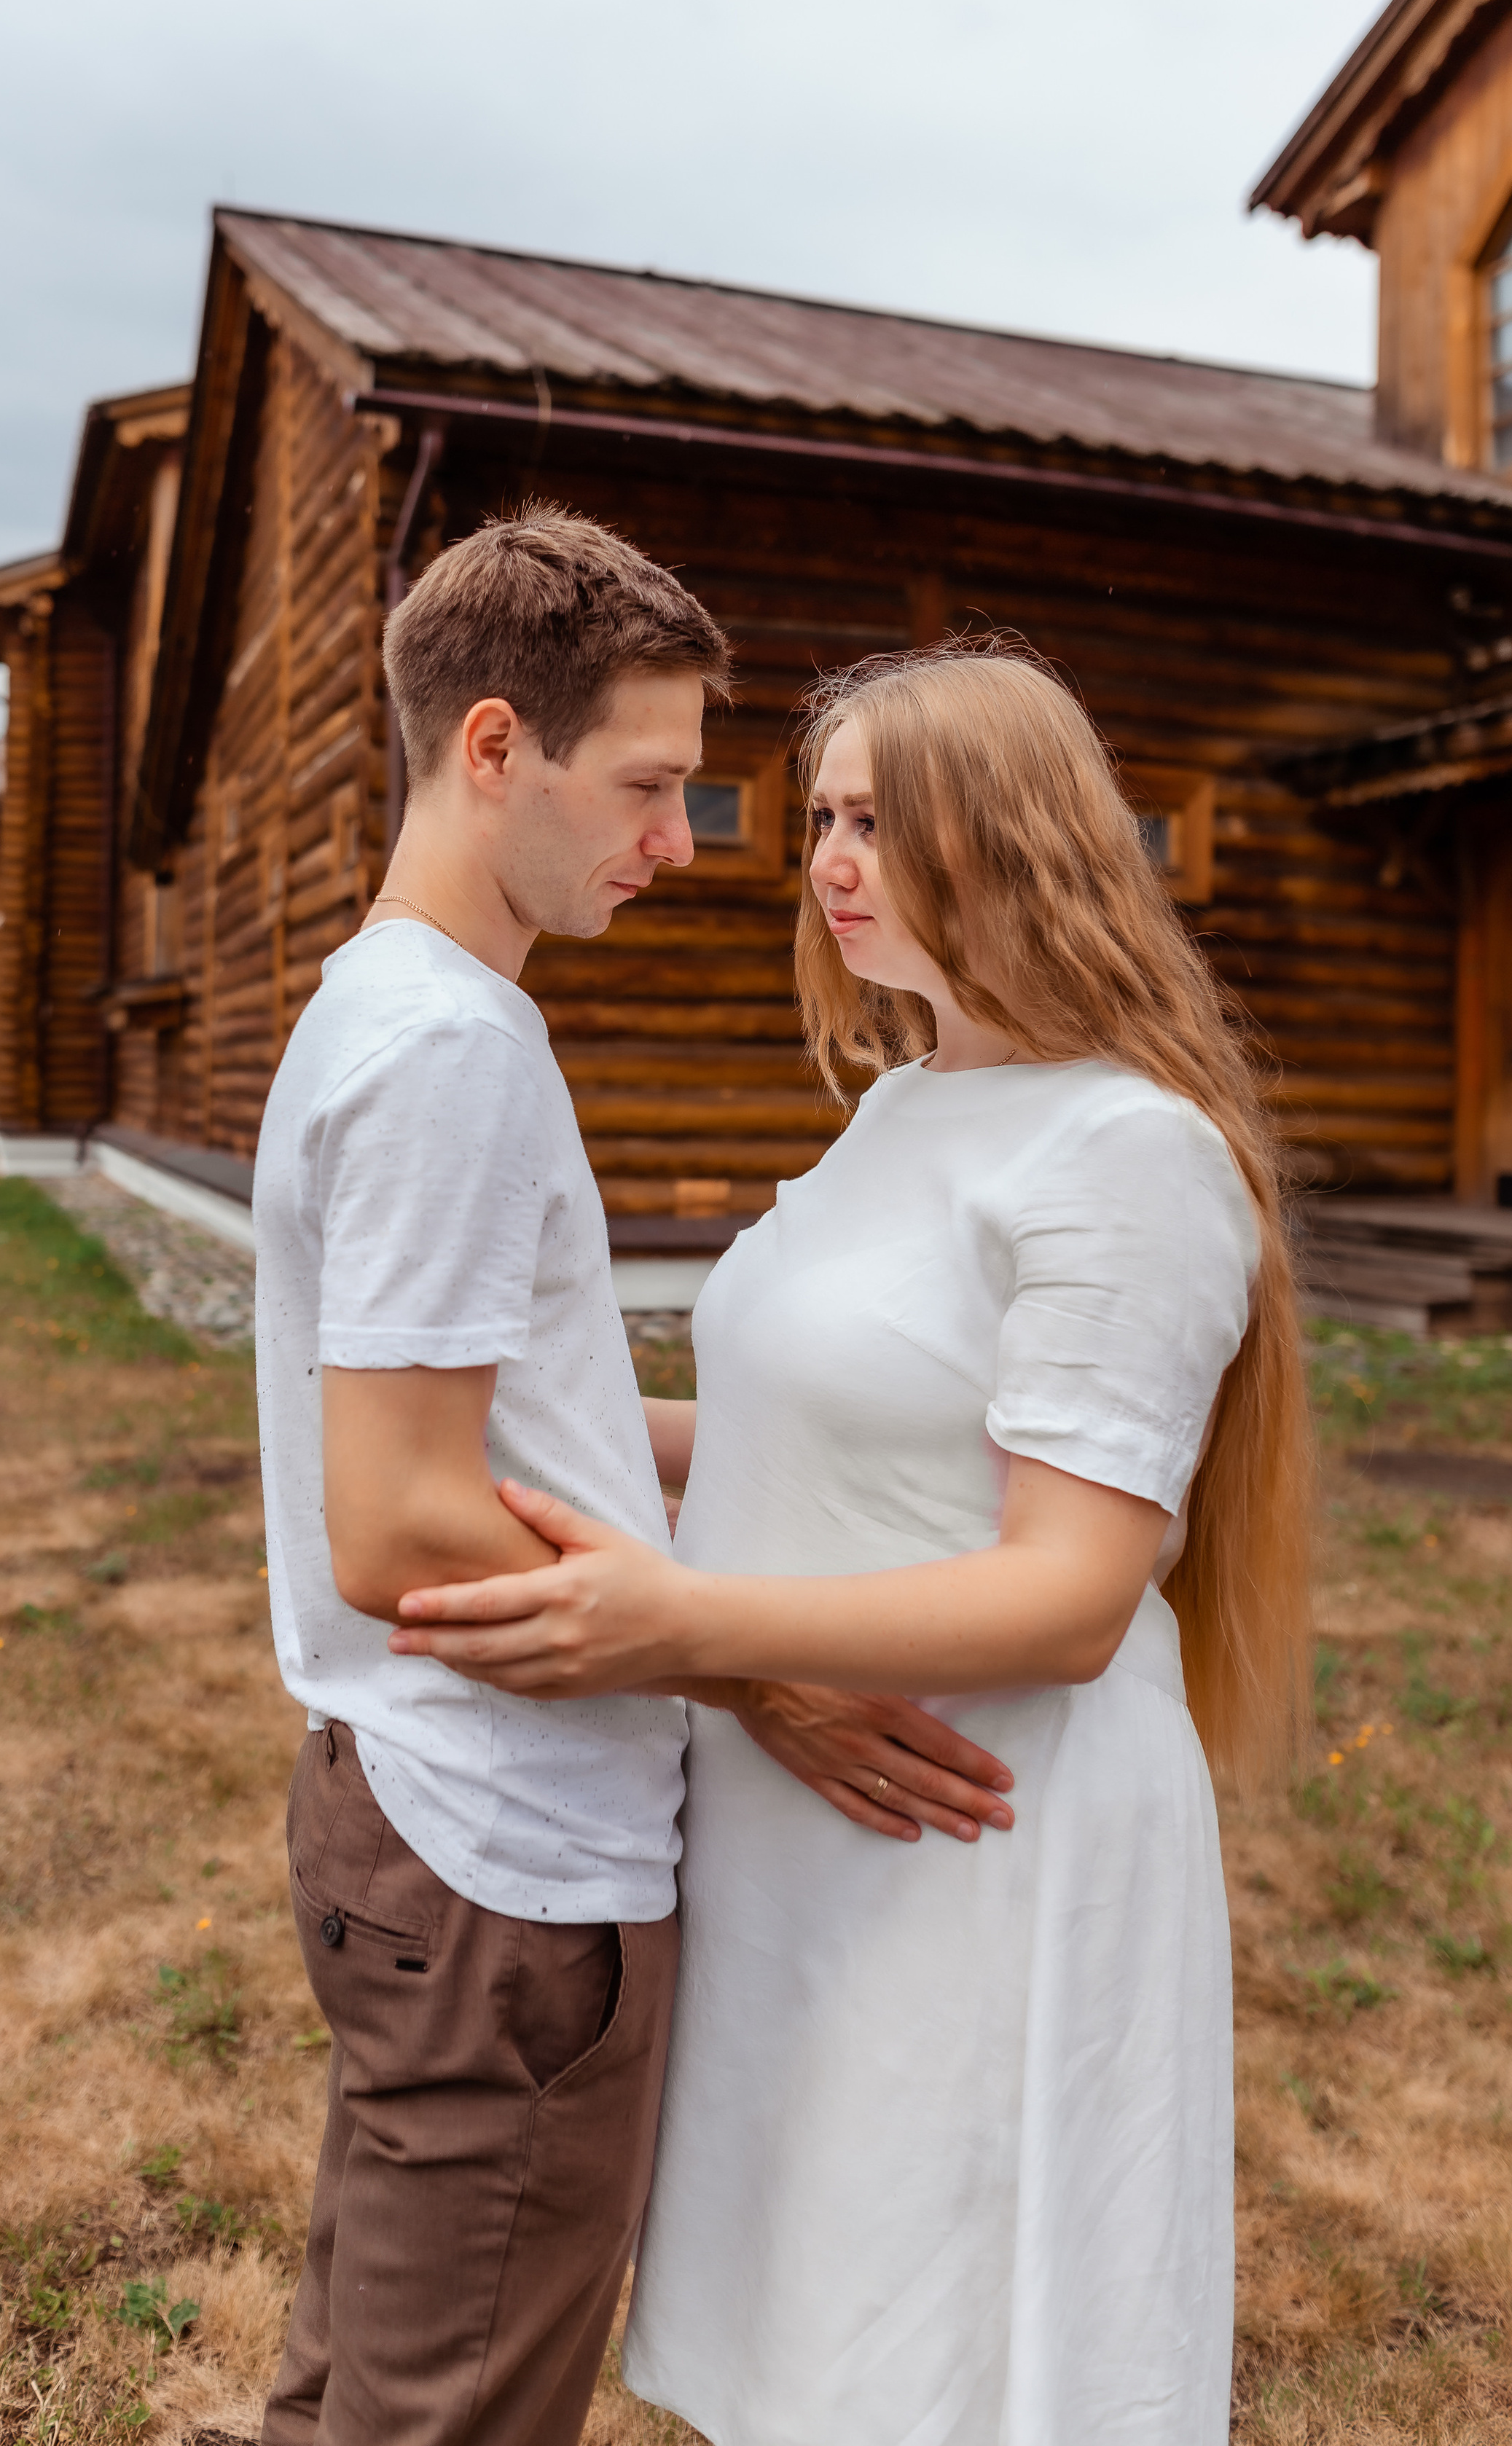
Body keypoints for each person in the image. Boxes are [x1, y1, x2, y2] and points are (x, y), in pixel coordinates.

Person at [390, 642, 1316, 2446]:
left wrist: (670, 1623)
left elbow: (1066, 1592)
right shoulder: (901, 1105)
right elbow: (787, 1422)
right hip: (806, 1836)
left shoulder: (1130, 1154)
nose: (826, 857)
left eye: (881, 821)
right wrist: (482, 1421)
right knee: (811, 2333)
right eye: (822, 816)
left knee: (939, 2346)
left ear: (1017, 840)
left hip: (972, 1826)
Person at [253, 519, 1015, 2446]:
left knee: (361, 2379)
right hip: (503, 1858)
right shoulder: (452, 1053)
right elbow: (401, 1525)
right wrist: (756, 1670)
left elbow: (516, 1424)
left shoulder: (393, 1004)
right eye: (653, 785)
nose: (685, 842)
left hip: (415, 1822)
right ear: (495, 747)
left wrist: (847, 1447)